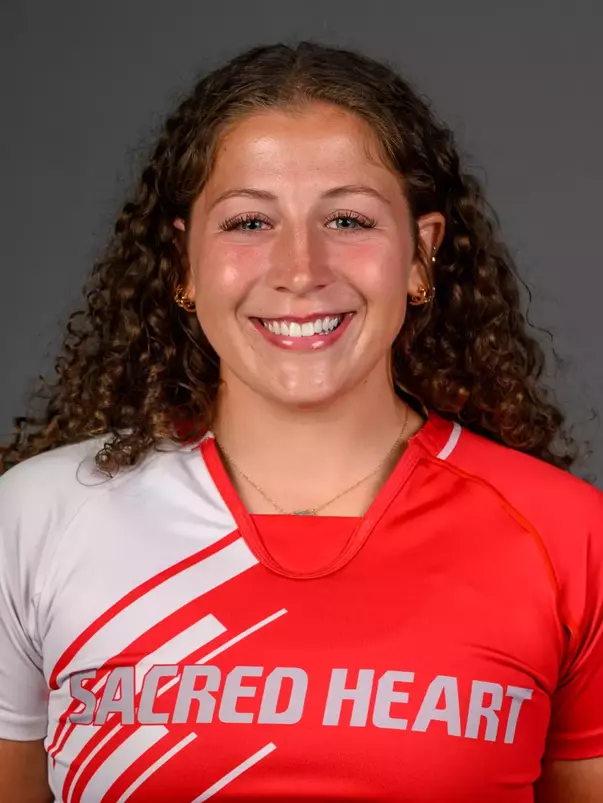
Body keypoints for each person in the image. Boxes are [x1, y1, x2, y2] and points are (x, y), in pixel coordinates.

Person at [0, 40, 601, 803]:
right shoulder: (37, 519)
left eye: (347, 218)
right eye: (249, 222)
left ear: (421, 255)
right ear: (183, 263)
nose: (300, 269)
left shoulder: (566, 537)